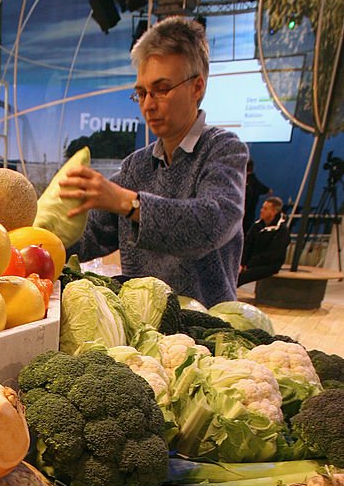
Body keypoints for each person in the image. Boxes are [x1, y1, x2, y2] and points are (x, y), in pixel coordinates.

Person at [61, 17, 248, 307]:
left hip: (208, 332)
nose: (148, 104)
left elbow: (211, 223)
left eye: (161, 89)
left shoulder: (223, 149)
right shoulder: (136, 166)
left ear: (197, 87)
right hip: (145, 331)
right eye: (142, 92)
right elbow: (89, 237)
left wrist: (129, 203)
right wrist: (30, 242)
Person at [238, 196, 290, 286]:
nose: (261, 210)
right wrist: (242, 263)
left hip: (269, 265)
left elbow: (274, 254)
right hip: (252, 262)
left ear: (273, 212)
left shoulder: (281, 230)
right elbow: (247, 245)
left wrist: (250, 264)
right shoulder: (257, 225)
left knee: (242, 277)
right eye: (262, 207)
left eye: (265, 209)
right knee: (232, 273)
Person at [243, 158, 271, 233]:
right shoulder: (256, 183)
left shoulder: (241, 182)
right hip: (250, 216)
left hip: (242, 216)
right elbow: (269, 191)